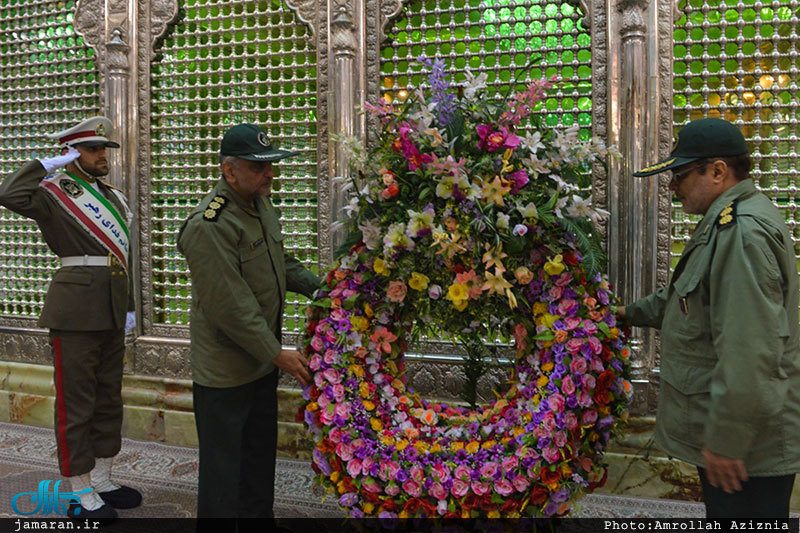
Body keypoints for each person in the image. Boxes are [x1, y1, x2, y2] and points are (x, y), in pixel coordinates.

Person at [617, 118, 800, 518]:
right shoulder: (725, 223)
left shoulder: (741, 234)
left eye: (680, 175)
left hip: (747, 448)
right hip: (739, 438)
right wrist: (627, 314)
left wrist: (727, 441)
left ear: (717, 171)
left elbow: (750, 349)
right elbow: (687, 298)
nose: (671, 187)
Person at [0, 117, 142, 520]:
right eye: (94, 149)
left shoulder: (112, 196)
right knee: (76, 402)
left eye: (104, 149)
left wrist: (129, 308)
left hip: (112, 307)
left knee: (107, 398)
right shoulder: (51, 193)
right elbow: (7, 193)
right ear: (73, 152)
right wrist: (45, 165)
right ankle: (78, 487)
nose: (103, 156)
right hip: (75, 310)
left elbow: (122, 257)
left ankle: (102, 477)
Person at [177, 123, 321, 519]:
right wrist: (278, 354)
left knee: (259, 461)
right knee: (224, 475)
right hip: (226, 372)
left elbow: (280, 263)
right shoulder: (210, 226)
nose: (269, 173)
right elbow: (232, 308)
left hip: (260, 363)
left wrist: (323, 289)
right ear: (229, 171)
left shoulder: (259, 205)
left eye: (270, 164)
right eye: (259, 167)